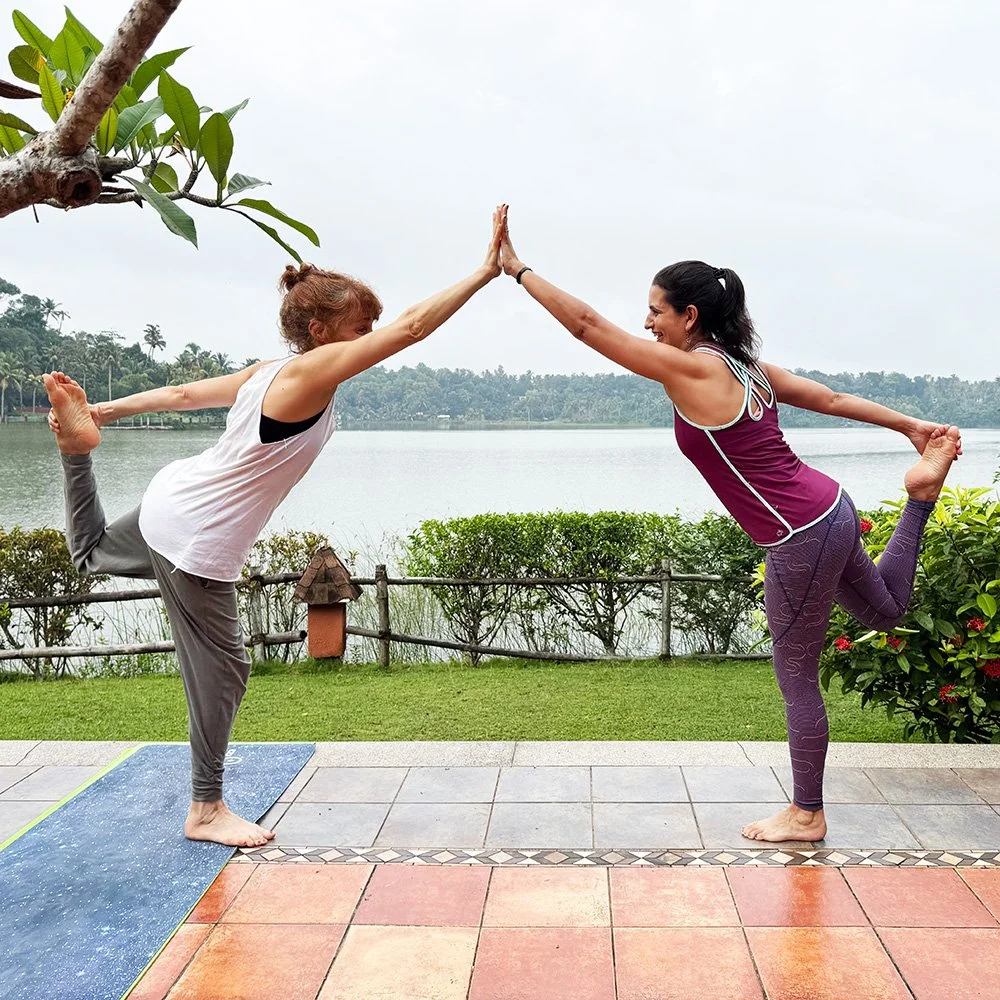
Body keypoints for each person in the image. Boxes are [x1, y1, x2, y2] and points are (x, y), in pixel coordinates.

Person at [43, 208, 507, 847]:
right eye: (360, 326)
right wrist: (484, 271)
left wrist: (105, 410)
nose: (371, 334)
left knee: (91, 555)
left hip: (172, 502)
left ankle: (77, 452)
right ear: (320, 330)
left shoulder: (270, 372)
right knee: (225, 668)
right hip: (196, 539)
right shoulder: (310, 375)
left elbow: (182, 395)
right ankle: (206, 809)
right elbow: (413, 328)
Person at [497, 209, 961, 843]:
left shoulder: (697, 369)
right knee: (883, 614)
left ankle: (807, 813)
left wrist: (518, 270)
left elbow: (586, 326)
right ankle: (920, 499)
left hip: (797, 534)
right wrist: (908, 426)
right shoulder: (746, 368)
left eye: (655, 310)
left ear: (689, 317)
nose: (645, 322)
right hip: (830, 508)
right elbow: (827, 398)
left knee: (796, 675)